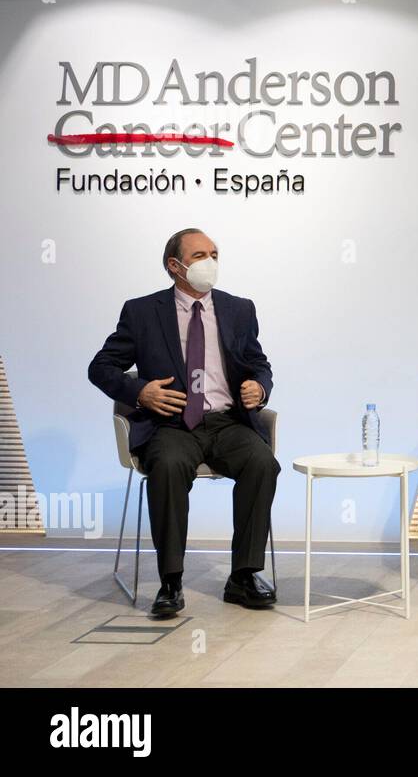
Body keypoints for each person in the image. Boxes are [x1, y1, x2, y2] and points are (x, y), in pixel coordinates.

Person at [88, 228, 279, 618]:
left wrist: (259, 387)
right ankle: (171, 581)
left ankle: (243, 576)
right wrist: (141, 391)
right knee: (169, 466)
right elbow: (101, 368)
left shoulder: (239, 309)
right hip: (171, 425)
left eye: (214, 253)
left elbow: (259, 363)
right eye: (199, 256)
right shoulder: (142, 312)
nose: (210, 262)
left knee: (262, 463)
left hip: (227, 423)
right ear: (175, 266)